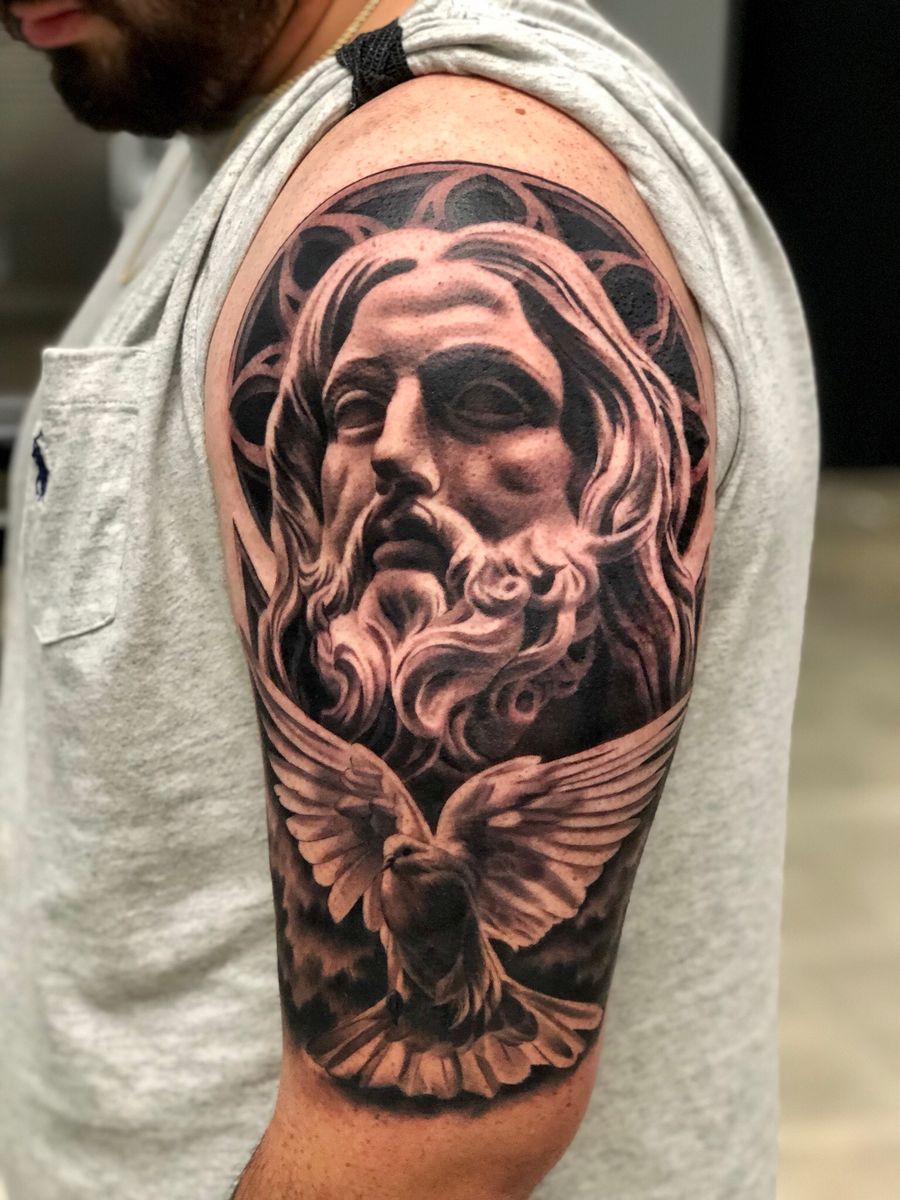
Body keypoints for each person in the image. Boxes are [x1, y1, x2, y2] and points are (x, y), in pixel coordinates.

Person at [0, 2, 818, 1199]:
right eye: (351, 407)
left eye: (480, 399)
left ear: (609, 460)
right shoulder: (253, 123)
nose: (389, 452)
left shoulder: (436, 172)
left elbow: (434, 1156)